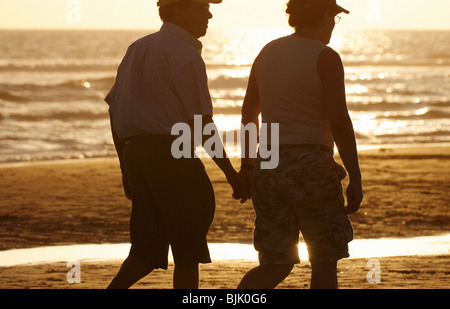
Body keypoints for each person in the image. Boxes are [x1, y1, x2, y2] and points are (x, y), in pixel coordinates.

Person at [105, 0, 247, 289]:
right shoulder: (185, 54)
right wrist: (231, 174)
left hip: (136, 155)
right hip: (171, 157)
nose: (209, 14)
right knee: (187, 249)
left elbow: (114, 112)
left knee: (145, 250)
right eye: (201, 7)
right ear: (178, 9)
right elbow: (201, 122)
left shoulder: (137, 48)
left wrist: (125, 168)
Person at [237, 0, 363, 289]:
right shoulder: (326, 56)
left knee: (275, 263)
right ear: (323, 16)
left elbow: (248, 113)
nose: (333, 23)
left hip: (268, 166)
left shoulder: (266, 52)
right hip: (311, 166)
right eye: (333, 16)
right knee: (323, 259)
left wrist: (248, 166)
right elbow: (339, 122)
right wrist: (354, 177)